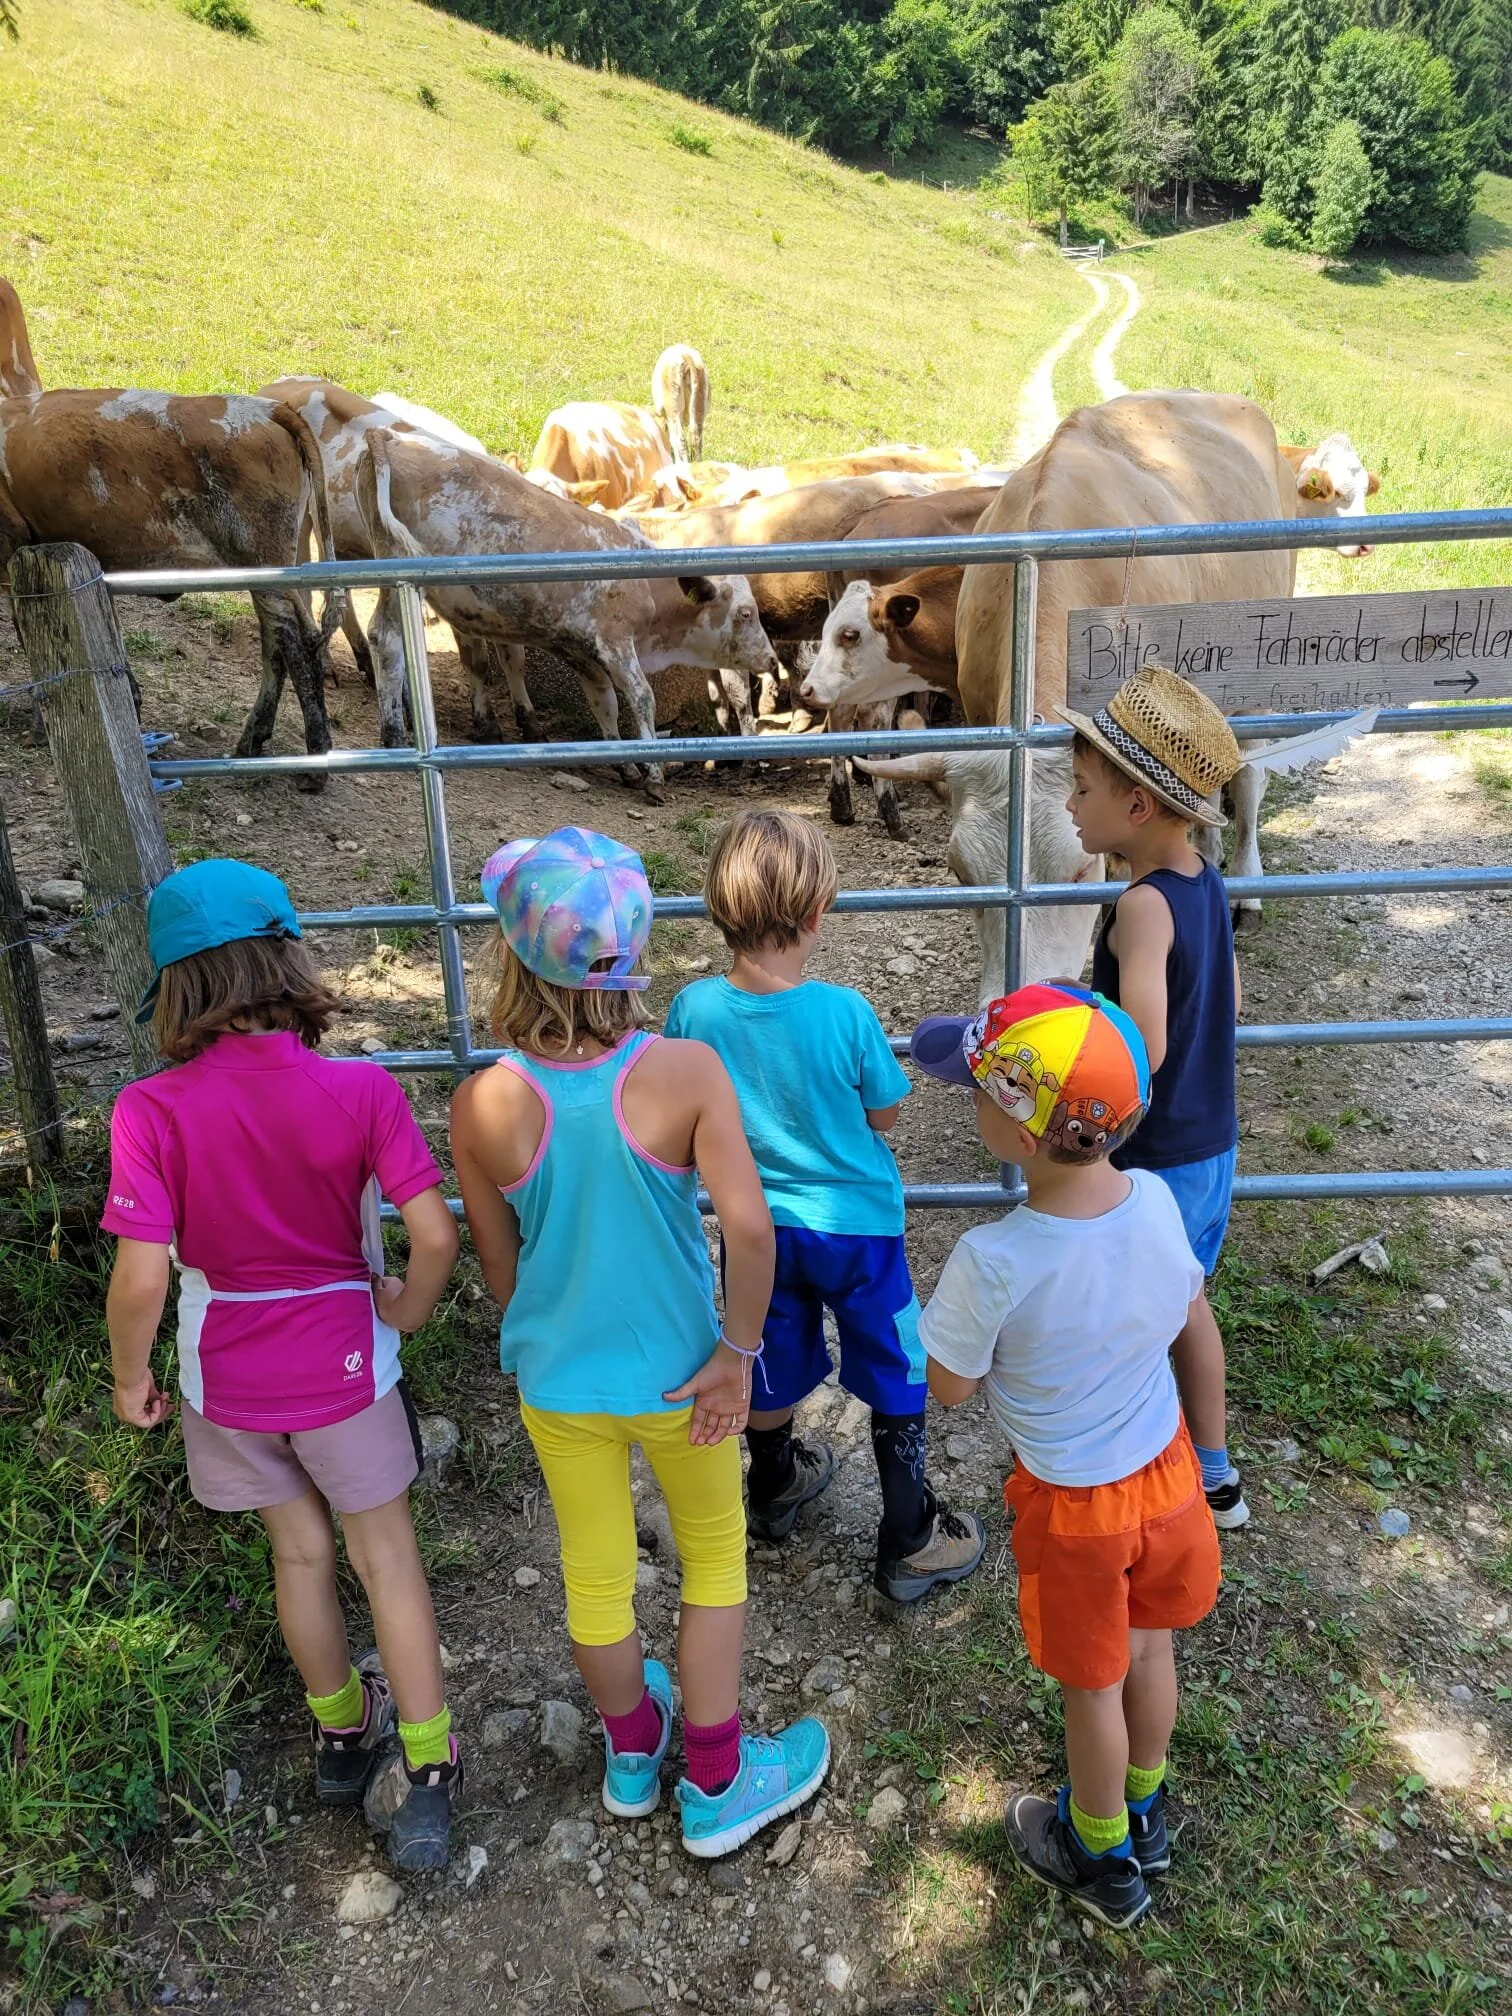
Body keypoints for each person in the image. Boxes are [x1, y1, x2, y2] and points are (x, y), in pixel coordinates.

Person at [450, 827, 829, 1857]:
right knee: (712, 1561)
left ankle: (631, 1751)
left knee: (596, 1574)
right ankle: (715, 1782)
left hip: (561, 1383)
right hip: (685, 1377)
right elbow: (749, 1229)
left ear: (514, 955)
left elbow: (500, 1273)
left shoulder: (481, 1103)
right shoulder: (685, 1070)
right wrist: (737, 1353)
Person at [102, 860, 463, 1871]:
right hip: (347, 1364)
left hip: (226, 1380)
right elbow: (433, 1237)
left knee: (298, 1557)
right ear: (288, 959)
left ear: (176, 990)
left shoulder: (149, 1111)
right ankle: (430, 1770)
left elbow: (140, 1281)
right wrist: (404, 1311)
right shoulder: (358, 1089)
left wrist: (131, 1374)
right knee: (384, 1557)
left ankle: (342, 1737)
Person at [913, 982, 1221, 1929]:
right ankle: (1146, 1804)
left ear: (1014, 1132)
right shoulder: (1161, 1202)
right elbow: (1183, 1316)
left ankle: (1098, 1851)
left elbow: (951, 1388)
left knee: (1091, 1685)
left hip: (1077, 1505)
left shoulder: (994, 1258)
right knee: (1148, 1647)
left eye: (974, 1088)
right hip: (1167, 1480)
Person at [664, 808, 985, 1604]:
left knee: (765, 1355)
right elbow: (885, 1112)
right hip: (859, 1231)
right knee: (893, 1361)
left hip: (756, 1232)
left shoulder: (694, 1011)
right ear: (816, 915)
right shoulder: (844, 1012)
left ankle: (773, 1490)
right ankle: (908, 1536)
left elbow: (679, 1106)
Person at [1060, 663, 1250, 1529]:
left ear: (1137, 808)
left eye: (1082, 787)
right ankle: (1211, 1466)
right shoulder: (1205, 879)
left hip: (1159, 1155)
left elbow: (1143, 1046)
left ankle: (1155, 1468)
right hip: (1214, 1140)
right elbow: (1230, 1001)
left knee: (1148, 1310)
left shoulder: (1140, 905)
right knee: (1187, 1303)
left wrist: (1085, 1121)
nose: (1069, 803)